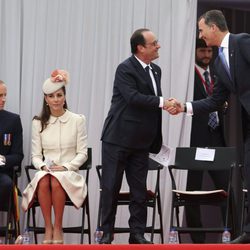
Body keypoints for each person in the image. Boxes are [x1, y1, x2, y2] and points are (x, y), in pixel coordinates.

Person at [166, 9, 250, 244]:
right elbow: (214, 101)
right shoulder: (220, 64)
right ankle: (248, 233)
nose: (201, 35)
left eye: (202, 30)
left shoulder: (242, 42)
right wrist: (184, 107)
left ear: (213, 27)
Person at [99, 28, 171, 244]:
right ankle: (106, 234)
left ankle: (137, 234)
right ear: (140, 48)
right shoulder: (125, 68)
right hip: (118, 138)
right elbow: (133, 98)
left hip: (141, 141)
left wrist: (165, 103)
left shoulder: (156, 70)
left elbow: (151, 100)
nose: (158, 46)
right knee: (111, 187)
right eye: (154, 43)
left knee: (139, 190)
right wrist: (162, 102)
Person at [22, 69, 88, 244]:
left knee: (56, 180)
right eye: (51, 96)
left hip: (68, 172)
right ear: (46, 99)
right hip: (46, 170)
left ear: (64, 97)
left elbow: (83, 153)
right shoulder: (38, 122)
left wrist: (66, 167)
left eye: (59, 95)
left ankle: (58, 226)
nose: (56, 99)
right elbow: (35, 156)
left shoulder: (77, 120)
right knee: (45, 180)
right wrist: (43, 166)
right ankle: (48, 227)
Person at [185, 38, 228, 243]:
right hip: (195, 139)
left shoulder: (217, 74)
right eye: (202, 51)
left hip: (217, 137)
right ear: (194, 51)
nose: (207, 55)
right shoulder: (186, 75)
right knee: (192, 192)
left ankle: (233, 234)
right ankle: (198, 241)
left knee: (226, 189)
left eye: (210, 51)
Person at [0, 80, 23, 216]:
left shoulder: (13, 120)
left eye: (4, 95)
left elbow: (18, 155)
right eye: (0, 95)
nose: (3, 99)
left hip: (2, 173)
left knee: (7, 184)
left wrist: (2, 159)